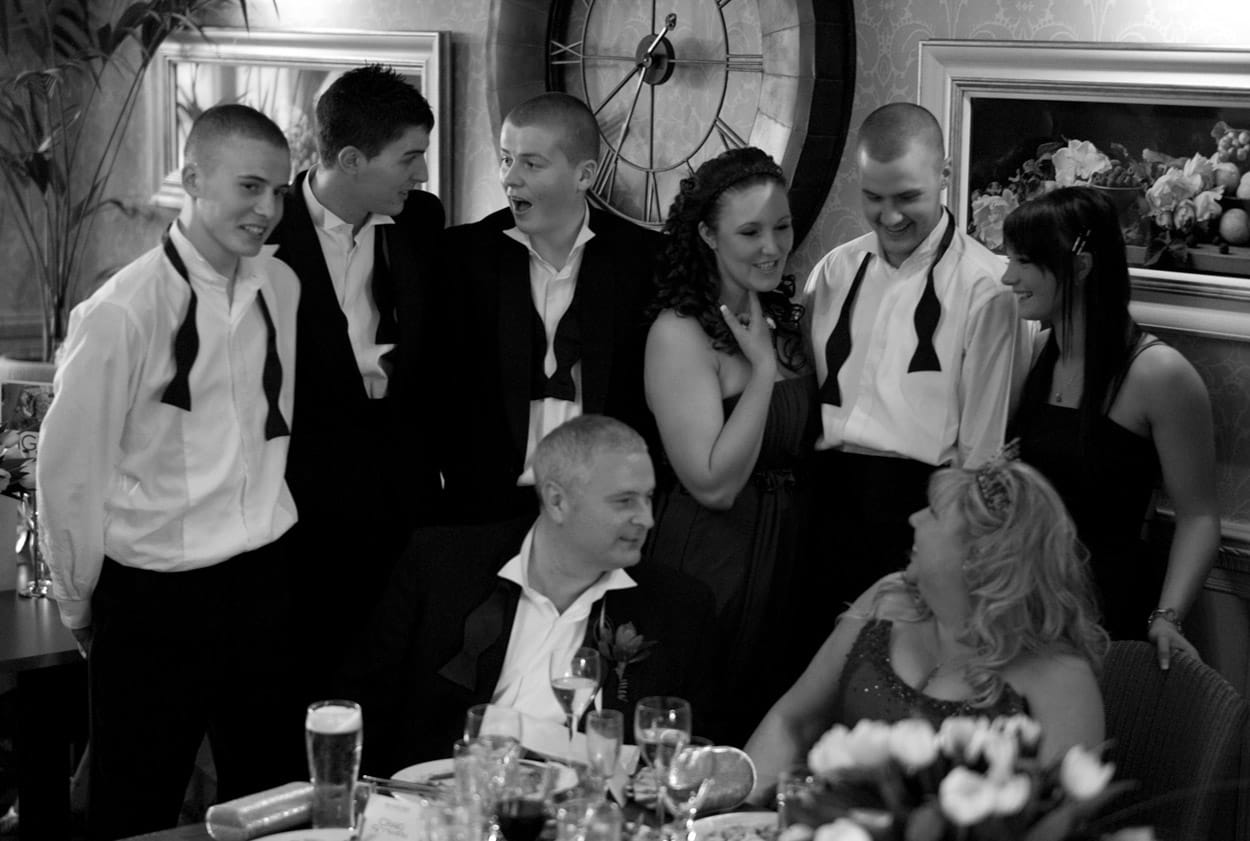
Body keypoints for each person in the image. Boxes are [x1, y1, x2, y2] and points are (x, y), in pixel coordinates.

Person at [37, 104, 300, 840]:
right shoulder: (122, 311)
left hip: (264, 581)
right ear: (191, 178)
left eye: (279, 191)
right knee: (134, 806)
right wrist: (77, 598)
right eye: (250, 186)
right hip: (155, 599)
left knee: (273, 805)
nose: (267, 209)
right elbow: (70, 473)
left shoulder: (283, 290)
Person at [349, 415, 723, 773]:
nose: (647, 519)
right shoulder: (442, 566)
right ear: (557, 501)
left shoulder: (679, 608)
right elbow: (364, 707)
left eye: (648, 497)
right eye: (624, 501)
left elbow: (681, 758)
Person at [744, 458, 1108, 801]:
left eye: (933, 513)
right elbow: (792, 721)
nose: (914, 519)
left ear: (980, 556)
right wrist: (736, 817)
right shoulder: (887, 600)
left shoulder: (1060, 676)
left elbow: (1059, 822)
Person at [802, 102, 1022, 633]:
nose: (890, 216)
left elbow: (981, 451)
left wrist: (954, 557)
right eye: (873, 198)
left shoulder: (986, 288)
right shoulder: (834, 270)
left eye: (908, 197)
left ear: (944, 176)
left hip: (918, 514)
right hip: (821, 503)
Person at [268, 64, 445, 690]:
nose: (421, 174)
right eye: (409, 158)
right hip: (303, 504)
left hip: (402, 497)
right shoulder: (268, 235)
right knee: (307, 680)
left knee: (393, 676)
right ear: (349, 158)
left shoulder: (422, 222)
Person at [1002, 186, 1219, 667]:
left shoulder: (1159, 374)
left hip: (1106, 614)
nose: (1007, 277)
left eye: (1023, 262)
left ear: (1080, 267)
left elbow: (1199, 517)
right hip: (1027, 607)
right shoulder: (1036, 352)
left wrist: (1168, 616)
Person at [643, 146, 815, 745]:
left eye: (782, 226)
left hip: (788, 555)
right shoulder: (678, 334)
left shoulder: (787, 319)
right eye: (750, 231)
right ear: (708, 236)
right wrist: (763, 372)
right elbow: (711, 484)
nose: (772, 246)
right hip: (712, 560)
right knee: (700, 736)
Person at [436, 92, 660, 524]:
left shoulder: (645, 263)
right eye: (506, 159)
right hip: (485, 510)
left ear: (584, 175)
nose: (510, 179)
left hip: (601, 509)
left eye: (531, 164)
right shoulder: (462, 257)